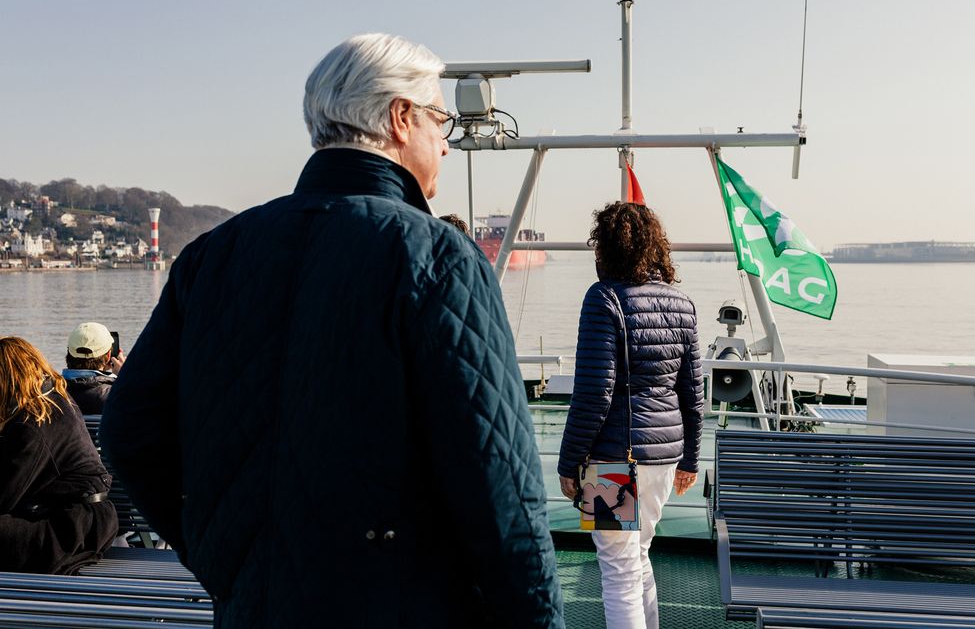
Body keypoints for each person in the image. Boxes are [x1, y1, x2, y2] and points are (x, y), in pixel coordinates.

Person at [100, 33, 563, 628]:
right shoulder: (437, 259)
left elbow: (131, 430)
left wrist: (219, 551)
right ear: (401, 118)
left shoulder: (212, 255)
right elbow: (503, 492)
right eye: (439, 121)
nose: (445, 145)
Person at [557, 202, 704, 629]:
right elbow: (693, 394)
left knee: (618, 573)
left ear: (605, 248)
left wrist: (569, 464)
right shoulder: (682, 303)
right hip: (664, 456)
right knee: (637, 558)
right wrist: (691, 458)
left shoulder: (603, 299)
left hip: (611, 459)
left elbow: (594, 392)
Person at [0, 336, 118, 574]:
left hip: (71, 529)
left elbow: (6, 493)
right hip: (83, 520)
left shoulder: (33, 424)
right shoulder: (53, 402)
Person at [62, 322, 125, 414]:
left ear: (69, 352)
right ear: (108, 356)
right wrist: (124, 379)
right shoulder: (119, 397)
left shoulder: (50, 394)